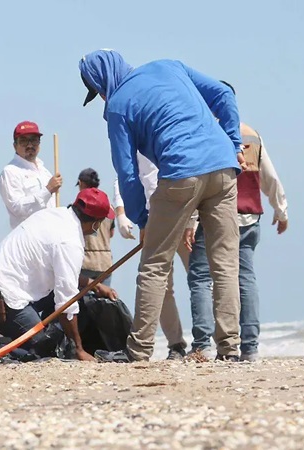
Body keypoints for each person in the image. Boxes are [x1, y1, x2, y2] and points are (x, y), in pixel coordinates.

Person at [80, 49, 244, 362]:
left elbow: (127, 172)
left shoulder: (118, 106)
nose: (101, 97)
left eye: (98, 90)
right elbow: (223, 93)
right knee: (224, 264)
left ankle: (139, 350)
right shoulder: (170, 66)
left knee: (155, 265)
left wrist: (143, 219)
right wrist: (234, 143)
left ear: (103, 83)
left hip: (181, 174)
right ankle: (230, 350)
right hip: (224, 167)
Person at [0, 188, 116, 367]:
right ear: (96, 224)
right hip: (2, 300)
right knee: (45, 350)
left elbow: (61, 275)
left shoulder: (54, 215)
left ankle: (28, 335)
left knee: (70, 305)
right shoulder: (69, 241)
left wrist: (93, 285)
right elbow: (66, 302)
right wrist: (79, 350)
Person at [185, 119, 289, 362]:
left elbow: (198, 179)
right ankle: (250, 347)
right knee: (245, 278)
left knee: (201, 277)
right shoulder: (252, 134)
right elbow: (269, 176)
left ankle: (202, 344)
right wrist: (281, 209)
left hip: (214, 216)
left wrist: (190, 219)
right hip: (249, 216)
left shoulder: (206, 130)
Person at [113, 163, 190, 361]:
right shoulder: (135, 137)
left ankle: (209, 342)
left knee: (201, 281)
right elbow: (125, 177)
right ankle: (176, 344)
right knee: (161, 287)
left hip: (186, 213)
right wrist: (122, 213)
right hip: (153, 219)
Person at [0, 121, 63, 229]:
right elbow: (18, 208)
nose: (30, 145)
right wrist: (48, 190)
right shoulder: (10, 172)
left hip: (51, 234)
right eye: (24, 141)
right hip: (29, 238)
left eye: (34, 140)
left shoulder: (44, 171)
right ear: (15, 146)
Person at [76, 169, 116, 286]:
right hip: (105, 262)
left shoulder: (78, 206)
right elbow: (111, 233)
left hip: (85, 261)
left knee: (81, 302)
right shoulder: (109, 207)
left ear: (81, 183)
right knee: (103, 302)